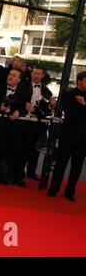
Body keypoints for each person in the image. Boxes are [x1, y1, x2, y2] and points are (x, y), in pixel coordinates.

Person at [48, 72, 86, 202]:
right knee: (60, 164)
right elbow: (70, 114)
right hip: (67, 135)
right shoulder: (68, 95)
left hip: (83, 138)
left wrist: (84, 105)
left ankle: (70, 191)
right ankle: (53, 189)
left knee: (77, 167)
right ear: (79, 81)